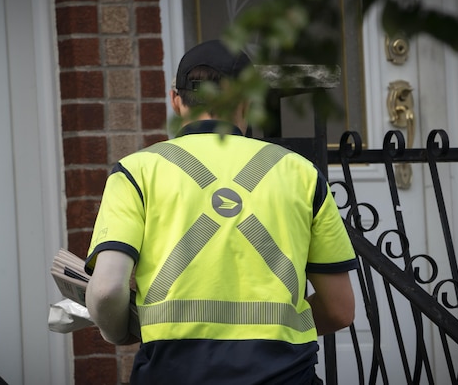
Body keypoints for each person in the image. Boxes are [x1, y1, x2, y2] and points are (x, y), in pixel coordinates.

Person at [84, 39, 357, 385]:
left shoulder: (136, 172)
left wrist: (119, 332)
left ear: (176, 101)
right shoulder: (300, 173)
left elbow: (107, 289)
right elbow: (339, 308)